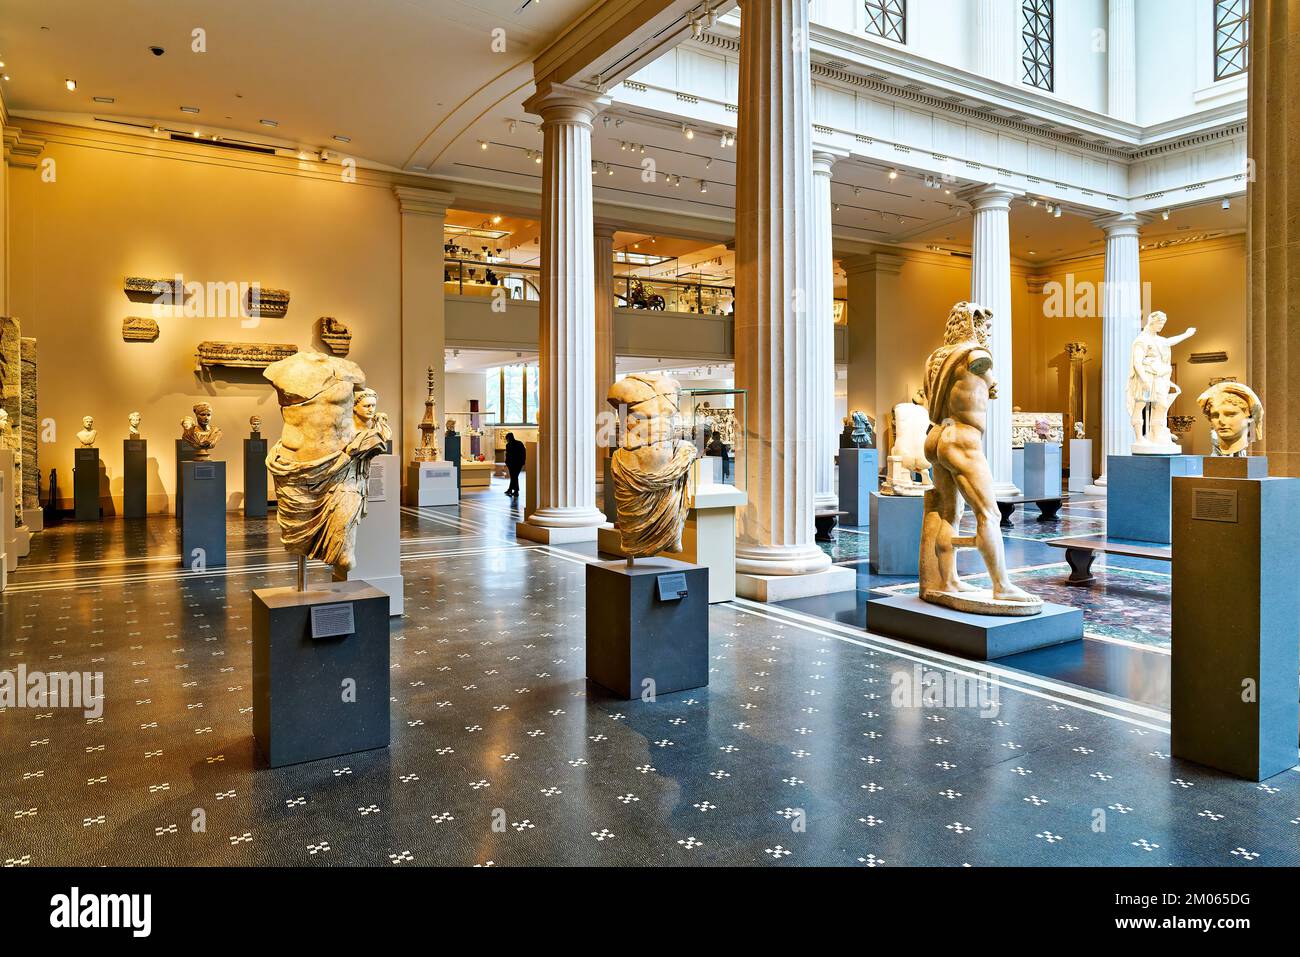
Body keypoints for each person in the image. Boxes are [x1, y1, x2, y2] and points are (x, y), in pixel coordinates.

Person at [505, 432, 526, 498]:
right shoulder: (519, 443)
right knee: (514, 476)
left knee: (514, 476)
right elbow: (524, 453)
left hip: (512, 463)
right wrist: (523, 461)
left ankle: (515, 491)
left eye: (507, 439)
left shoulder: (508, 445)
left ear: (508, 438)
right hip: (518, 463)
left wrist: (507, 462)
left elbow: (508, 455)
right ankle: (511, 490)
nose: (507, 440)